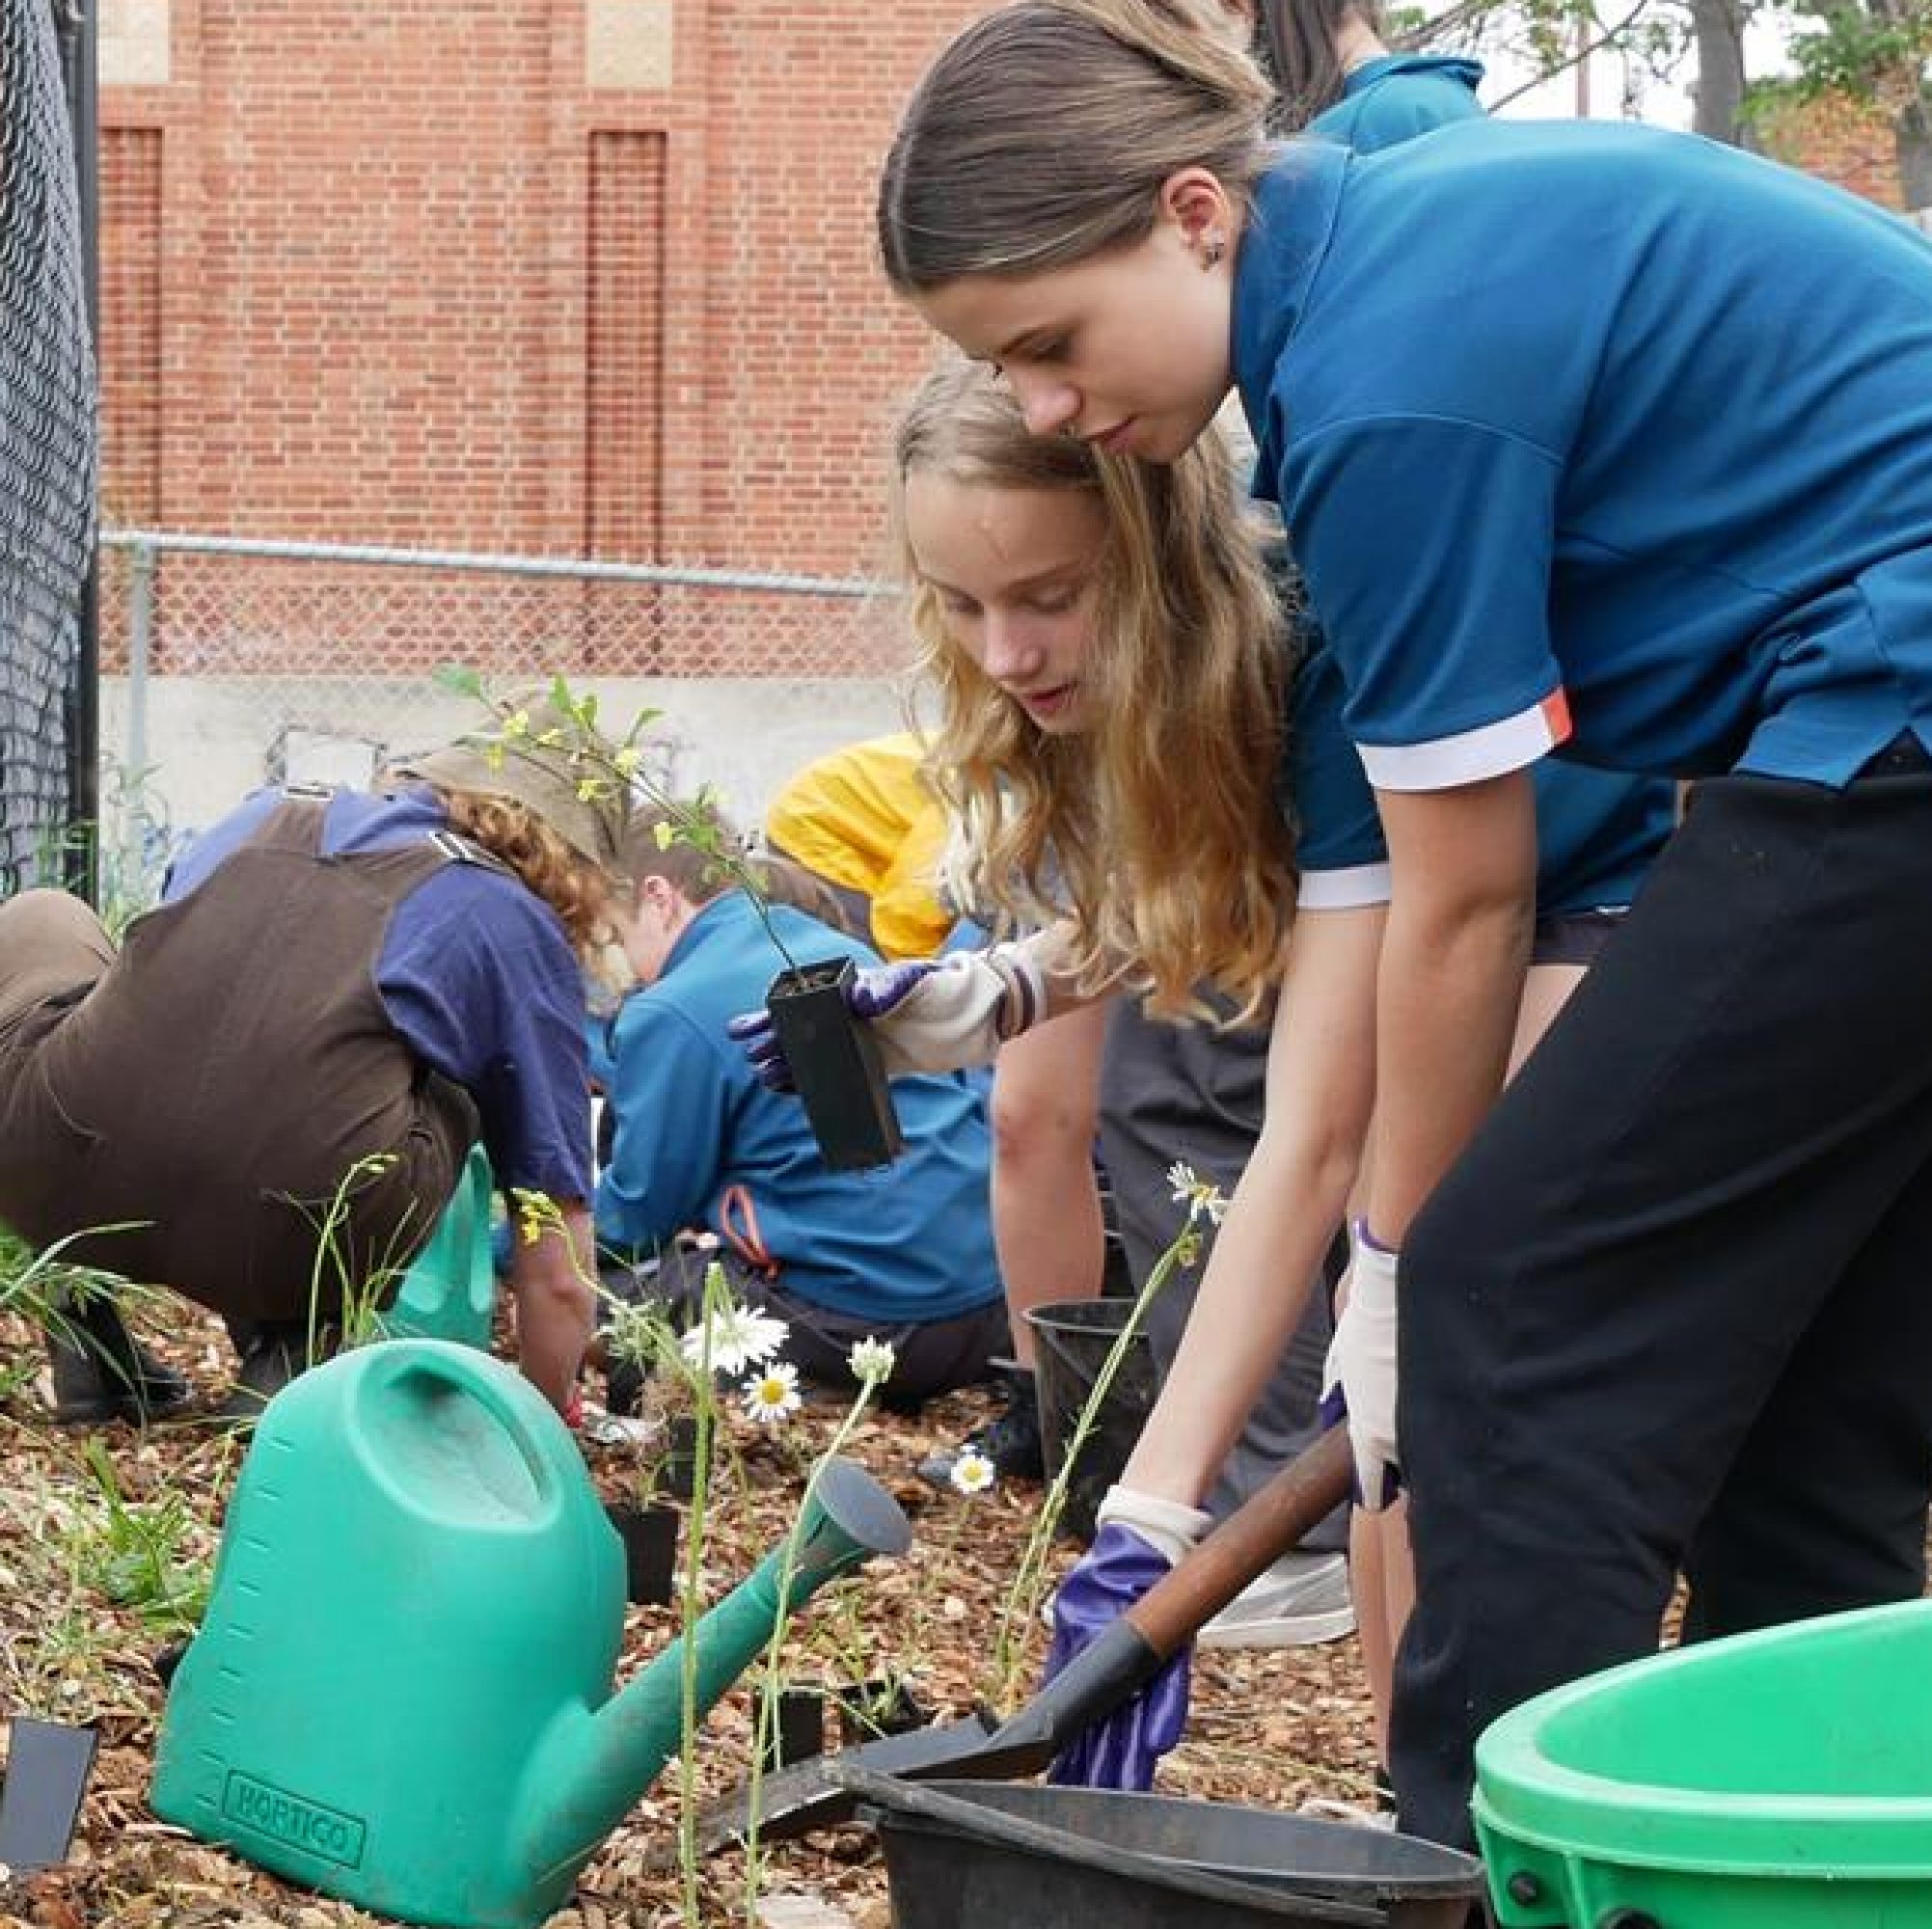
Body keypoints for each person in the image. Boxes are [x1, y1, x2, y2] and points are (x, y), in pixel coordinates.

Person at [873, 0, 1932, 1848]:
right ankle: (1801, 1871)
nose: (1044, 409)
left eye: (1047, 343)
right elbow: (1371, 953)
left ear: (1195, 212)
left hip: (1895, 707)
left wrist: (1403, 1281)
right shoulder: (1364, 278)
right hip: (1871, 714)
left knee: (1513, 1310)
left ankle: (1473, 1873)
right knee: (1812, 1392)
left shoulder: (1379, 373)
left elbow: (1467, 902)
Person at [0, 692, 622, 1425]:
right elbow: (555, 1257)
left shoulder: (259, 813)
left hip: (59, 1173)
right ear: (569, 858)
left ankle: (82, 1315)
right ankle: (290, 1345)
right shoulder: (513, 924)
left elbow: (196, 1042)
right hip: (292, 1232)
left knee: (45, 917)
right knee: (449, 1083)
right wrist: (540, 1428)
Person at [595, 804, 1009, 1410]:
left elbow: (635, 1220)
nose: (622, 960)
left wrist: (515, 1246)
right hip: (984, 1306)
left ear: (658, 897)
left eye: (615, 931)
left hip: (861, 1323)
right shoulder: (838, 947)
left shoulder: (673, 1008)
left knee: (606, 1290)